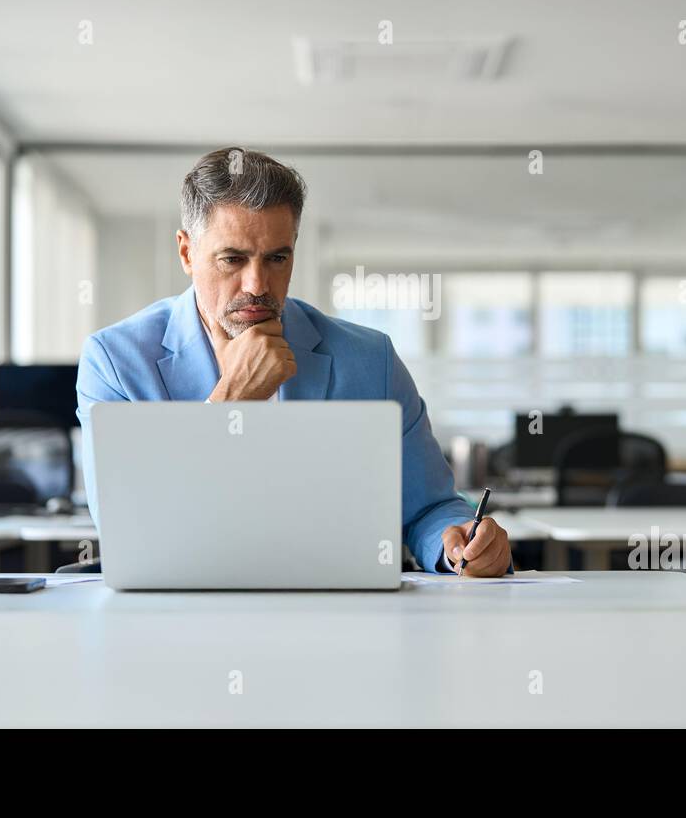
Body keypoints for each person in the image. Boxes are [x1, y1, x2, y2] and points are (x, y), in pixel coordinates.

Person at [76, 147, 511, 575]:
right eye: (233, 258)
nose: (257, 284)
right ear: (187, 253)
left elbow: (430, 508)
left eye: (277, 258)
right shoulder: (115, 362)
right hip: (179, 616)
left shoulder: (369, 360)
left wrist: (458, 545)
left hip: (336, 614)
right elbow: (127, 526)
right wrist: (231, 400)